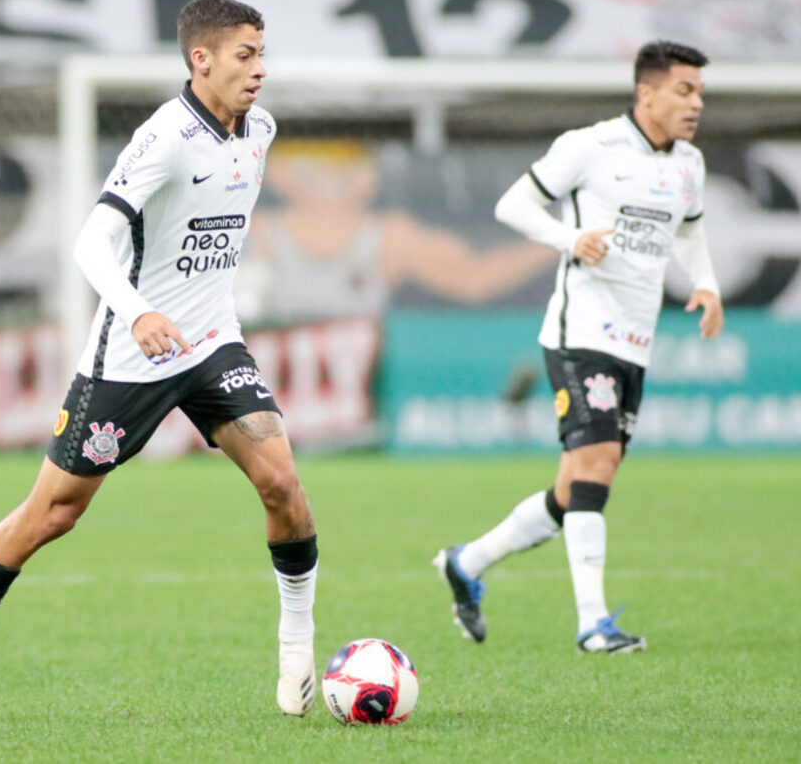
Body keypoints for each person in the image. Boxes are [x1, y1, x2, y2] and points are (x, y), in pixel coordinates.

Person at [0, 0, 319, 726]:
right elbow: (90, 244)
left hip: (212, 341)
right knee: (54, 514)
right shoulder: (163, 137)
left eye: (263, 53)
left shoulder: (260, 128)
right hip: (132, 353)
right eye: (245, 54)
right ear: (201, 59)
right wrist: (140, 312)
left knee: (282, 484)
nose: (261, 69)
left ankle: (296, 645)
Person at [433, 40, 723, 654]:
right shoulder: (590, 146)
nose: (696, 101)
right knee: (599, 465)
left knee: (574, 489)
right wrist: (569, 239)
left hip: (635, 341)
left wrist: (706, 283)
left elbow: (691, 233)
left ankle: (467, 562)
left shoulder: (688, 165)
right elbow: (513, 205)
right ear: (647, 92)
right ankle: (593, 623)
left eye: (699, 91)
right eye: (684, 89)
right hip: (580, 334)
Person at [239, 139, 557, 322]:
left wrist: (557, 238)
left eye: (346, 166)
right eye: (310, 165)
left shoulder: (389, 236)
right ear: (278, 172)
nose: (329, 177)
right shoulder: (253, 230)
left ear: (371, 173)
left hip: (360, 405)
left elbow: (474, 277)